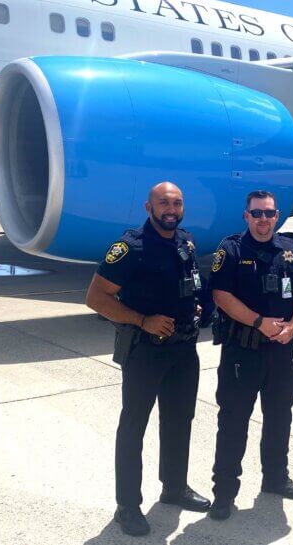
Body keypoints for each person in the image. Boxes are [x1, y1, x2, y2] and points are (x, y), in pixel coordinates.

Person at [86, 182, 210, 537]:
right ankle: (127, 505)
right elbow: (96, 297)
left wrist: (194, 306)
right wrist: (143, 320)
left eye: (177, 203)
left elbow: (186, 283)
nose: (170, 209)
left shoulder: (186, 241)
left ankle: (173, 487)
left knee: (179, 421)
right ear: (148, 206)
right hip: (146, 350)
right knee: (133, 428)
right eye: (163, 203)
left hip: (184, 350)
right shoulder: (129, 248)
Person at [208, 190, 293, 521]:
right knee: (233, 422)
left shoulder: (292, 250)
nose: (263, 219)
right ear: (246, 216)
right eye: (257, 213)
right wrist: (259, 322)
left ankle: (276, 479)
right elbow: (220, 294)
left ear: (277, 216)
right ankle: (224, 493)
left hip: (282, 353)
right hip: (243, 352)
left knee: (280, 419)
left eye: (269, 214)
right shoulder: (232, 249)